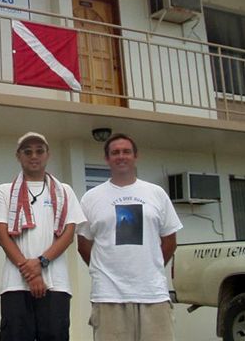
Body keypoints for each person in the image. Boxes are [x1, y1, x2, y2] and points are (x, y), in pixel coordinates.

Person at [77, 133, 183, 341]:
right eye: (115, 152)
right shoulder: (91, 198)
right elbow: (83, 244)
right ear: (107, 159)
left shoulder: (156, 193)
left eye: (126, 151)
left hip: (153, 295)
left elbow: (170, 241)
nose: (121, 156)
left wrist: (149, 266)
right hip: (109, 297)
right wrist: (105, 268)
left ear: (136, 156)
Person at [0, 132, 86, 341]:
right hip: (15, 284)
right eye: (28, 151)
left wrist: (41, 262)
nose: (34, 156)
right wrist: (32, 273)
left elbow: (68, 234)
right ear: (18, 156)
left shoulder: (64, 191)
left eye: (39, 151)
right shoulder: (4, 192)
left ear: (47, 155)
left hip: (56, 284)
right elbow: (3, 237)